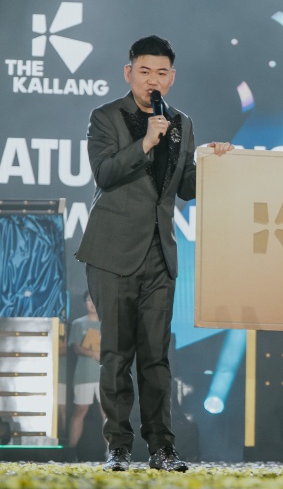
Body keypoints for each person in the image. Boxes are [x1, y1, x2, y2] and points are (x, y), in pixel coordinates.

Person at [76, 35, 232, 472]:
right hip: (111, 252)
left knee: (157, 358)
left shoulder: (181, 122)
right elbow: (105, 173)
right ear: (129, 73)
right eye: (145, 71)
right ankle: (118, 448)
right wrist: (145, 142)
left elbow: (185, 187)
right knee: (116, 354)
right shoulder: (105, 117)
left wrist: (215, 165)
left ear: (172, 77)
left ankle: (162, 447)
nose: (153, 80)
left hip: (159, 254)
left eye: (161, 72)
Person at [67, 291, 106, 450]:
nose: (92, 303)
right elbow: (76, 348)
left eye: (94, 299)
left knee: (106, 413)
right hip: (84, 375)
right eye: (89, 300)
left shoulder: (107, 323)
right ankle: (71, 452)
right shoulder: (78, 323)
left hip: (104, 376)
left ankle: (111, 453)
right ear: (84, 303)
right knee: (80, 411)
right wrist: (93, 353)